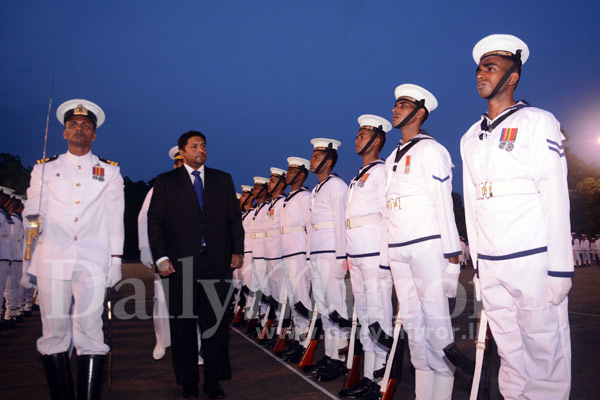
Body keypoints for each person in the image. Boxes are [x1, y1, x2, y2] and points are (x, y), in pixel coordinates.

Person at [461, 34, 573, 399]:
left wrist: (560, 267)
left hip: (532, 258)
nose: (481, 75)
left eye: (490, 68)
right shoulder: (469, 137)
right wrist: (478, 265)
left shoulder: (537, 121)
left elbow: (554, 194)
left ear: (512, 77)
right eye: (479, 68)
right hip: (491, 264)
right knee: (509, 353)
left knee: (545, 353)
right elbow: (473, 205)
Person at [22, 99, 125, 399]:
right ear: (64, 133)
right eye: (73, 125)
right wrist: (32, 218)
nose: (79, 129)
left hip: (93, 259)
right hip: (53, 256)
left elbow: (113, 217)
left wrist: (115, 259)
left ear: (94, 135)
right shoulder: (45, 168)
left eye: (86, 126)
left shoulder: (110, 171)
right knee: (54, 331)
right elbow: (33, 203)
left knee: (90, 328)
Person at [148, 130, 243, 399]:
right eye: (194, 146)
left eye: (203, 146)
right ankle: (188, 382)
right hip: (180, 266)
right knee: (183, 327)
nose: (200, 150)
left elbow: (234, 219)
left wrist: (238, 250)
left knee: (216, 326)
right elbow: (155, 221)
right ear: (182, 151)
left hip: (217, 263)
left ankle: (213, 381)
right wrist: (161, 257)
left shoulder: (222, 180)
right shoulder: (165, 182)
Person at [385, 84, 461, 399]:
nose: (395, 108)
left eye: (403, 104)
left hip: (427, 243)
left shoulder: (431, 150)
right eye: (395, 104)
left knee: (437, 322)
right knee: (413, 325)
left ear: (419, 112)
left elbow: (444, 203)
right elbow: (384, 210)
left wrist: (453, 259)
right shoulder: (392, 156)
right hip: (398, 247)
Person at [339, 115, 393, 398]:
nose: (357, 138)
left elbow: (387, 217)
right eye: (358, 134)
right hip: (358, 255)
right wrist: (348, 254)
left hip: (374, 254)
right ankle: (369, 377)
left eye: (363, 134)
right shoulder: (358, 176)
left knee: (380, 315)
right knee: (364, 315)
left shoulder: (382, 172)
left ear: (378, 140)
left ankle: (381, 379)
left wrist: (385, 259)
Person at [138, 146, 203, 363]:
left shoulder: (200, 188)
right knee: (162, 301)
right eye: (176, 164)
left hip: (192, 256)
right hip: (165, 255)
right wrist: (147, 249)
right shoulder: (160, 186)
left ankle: (193, 349)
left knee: (190, 305)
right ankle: (162, 341)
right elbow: (145, 219)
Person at [305, 138, 349, 382]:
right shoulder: (317, 189)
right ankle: (330, 354)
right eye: (313, 156)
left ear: (328, 161)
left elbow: (342, 223)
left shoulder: (336, 186)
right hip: (318, 253)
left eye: (317, 156)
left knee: (335, 306)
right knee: (323, 307)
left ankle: (340, 358)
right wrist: (310, 256)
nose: (312, 160)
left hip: (332, 252)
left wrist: (341, 258)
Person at [278, 156, 312, 363]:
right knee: (293, 299)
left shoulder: (304, 197)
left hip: (299, 252)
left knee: (301, 298)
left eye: (292, 171)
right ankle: (299, 341)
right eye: (288, 171)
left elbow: (309, 226)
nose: (287, 175)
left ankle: (306, 342)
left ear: (302, 174)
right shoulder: (288, 199)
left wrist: (308, 257)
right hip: (287, 252)